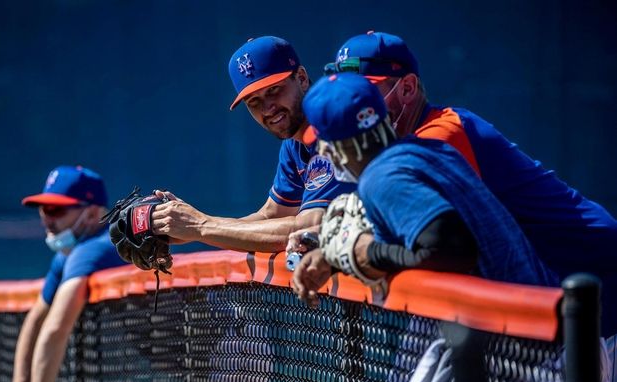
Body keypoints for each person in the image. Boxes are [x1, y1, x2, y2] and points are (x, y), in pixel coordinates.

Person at [316, 30, 617, 337]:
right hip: (547, 289)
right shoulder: (394, 154)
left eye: (366, 93)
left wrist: (331, 247)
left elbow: (427, 235)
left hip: (590, 269)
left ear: (407, 88)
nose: (352, 105)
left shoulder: (439, 134)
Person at [292, 72, 557, 308]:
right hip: (543, 326)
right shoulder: (422, 151)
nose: (322, 150)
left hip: (522, 343)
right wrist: (334, 259)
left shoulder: (381, 177)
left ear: (337, 142)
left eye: (322, 141)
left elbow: (453, 250)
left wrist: (366, 252)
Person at [149, 36, 356, 252]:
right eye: (254, 102)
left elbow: (309, 228)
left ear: (302, 78)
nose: (267, 108)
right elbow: (271, 214)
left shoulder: (333, 126)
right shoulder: (294, 142)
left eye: (273, 90)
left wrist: (200, 226)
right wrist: (191, 227)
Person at [7, 165, 122, 382]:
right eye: (43, 209)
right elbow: (37, 320)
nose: (47, 219)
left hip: (225, 352)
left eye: (56, 210)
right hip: (205, 362)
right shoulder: (69, 255)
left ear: (92, 213)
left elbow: (56, 327)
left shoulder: (95, 248)